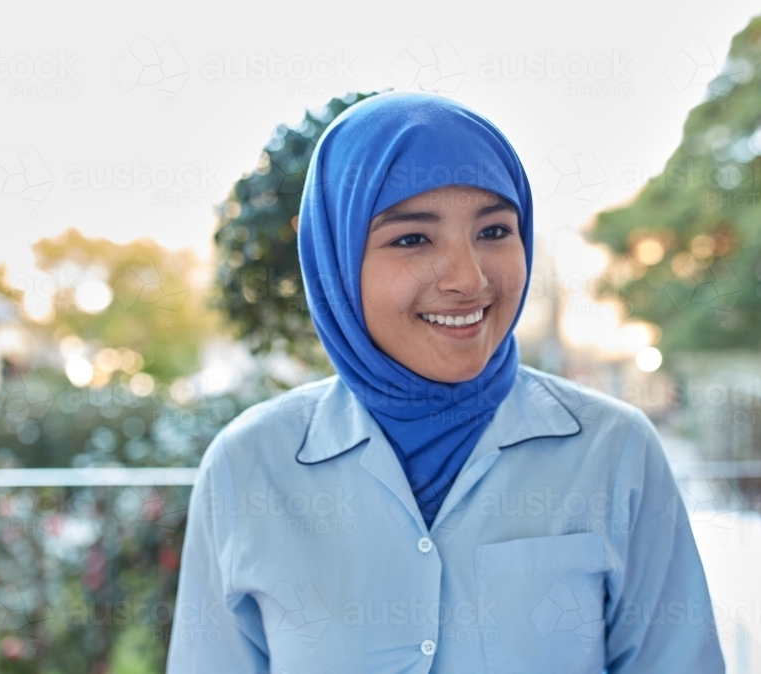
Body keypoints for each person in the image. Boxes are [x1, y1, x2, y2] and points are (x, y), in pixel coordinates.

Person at [166, 92, 725, 673]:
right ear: (337, 262)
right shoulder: (247, 466)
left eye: (494, 231)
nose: (469, 278)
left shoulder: (613, 451)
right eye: (412, 239)